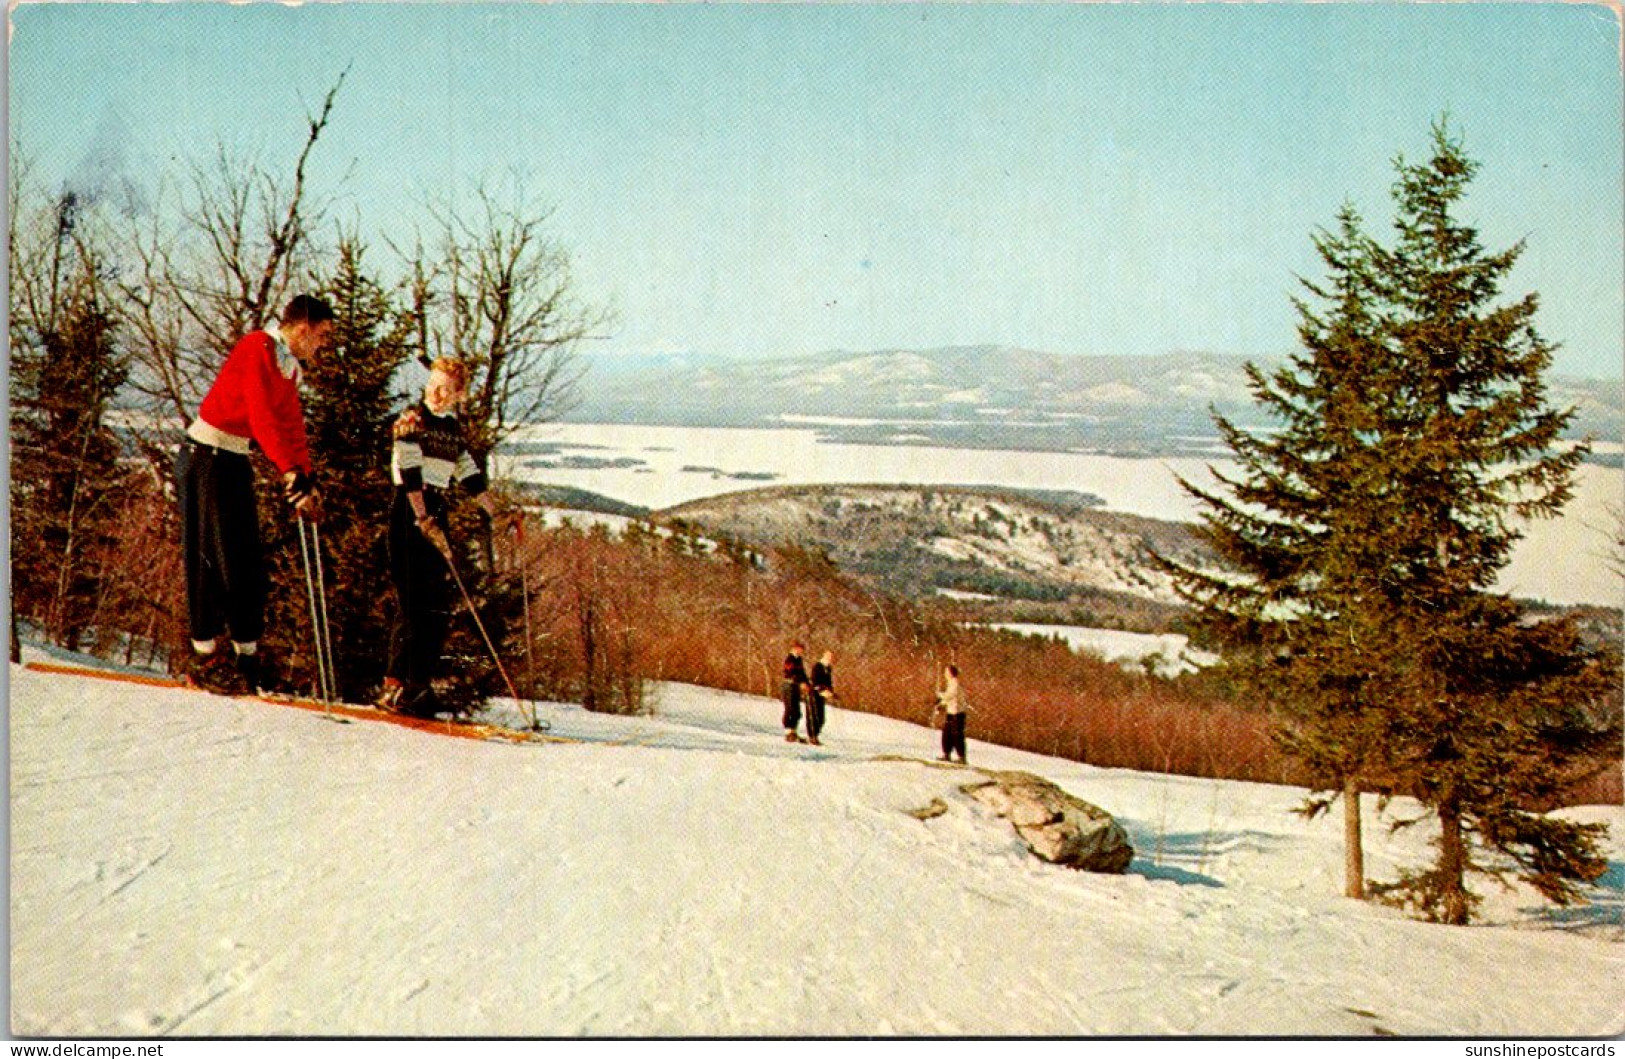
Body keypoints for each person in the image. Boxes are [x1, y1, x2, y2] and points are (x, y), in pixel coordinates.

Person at [176, 294, 334, 694]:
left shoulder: (288, 366)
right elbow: (262, 415)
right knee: (211, 555)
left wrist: (305, 475)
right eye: (323, 335)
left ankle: (247, 653)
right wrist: (289, 472)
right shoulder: (257, 347)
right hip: (206, 456)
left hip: (232, 458)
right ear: (302, 328)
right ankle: (205, 654)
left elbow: (290, 422)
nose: (324, 344)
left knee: (244, 557)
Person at [377, 357, 507, 717]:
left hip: (436, 509)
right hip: (410, 510)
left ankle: (417, 685)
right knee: (413, 601)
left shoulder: (451, 430)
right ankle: (396, 686)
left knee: (435, 604)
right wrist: (422, 519)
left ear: (458, 395)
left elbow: (469, 475)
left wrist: (498, 514)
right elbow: (409, 470)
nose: (436, 393)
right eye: (432, 385)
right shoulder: (412, 421)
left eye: (445, 389)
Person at [932, 663, 970, 764]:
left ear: (950, 673)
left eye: (946, 672)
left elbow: (950, 695)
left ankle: (961, 757)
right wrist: (940, 703)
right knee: (947, 734)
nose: (945, 674)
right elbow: (949, 699)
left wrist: (940, 696)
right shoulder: (951, 683)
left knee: (957, 736)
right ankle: (946, 754)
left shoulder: (955, 683)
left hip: (958, 714)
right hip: (951, 712)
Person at [781, 641, 810, 743]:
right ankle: (788, 731)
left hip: (796, 686)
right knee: (790, 708)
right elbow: (789, 673)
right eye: (800, 649)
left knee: (797, 710)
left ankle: (794, 731)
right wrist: (800, 682)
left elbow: (802, 673)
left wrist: (807, 683)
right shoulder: (790, 659)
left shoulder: (799, 660)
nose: (801, 651)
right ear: (794, 648)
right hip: (789, 685)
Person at [807, 649, 836, 746]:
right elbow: (815, 681)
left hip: (822, 695)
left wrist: (831, 692)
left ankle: (816, 735)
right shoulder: (817, 666)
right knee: (813, 716)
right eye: (829, 656)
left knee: (821, 717)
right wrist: (822, 690)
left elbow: (829, 681)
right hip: (814, 693)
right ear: (824, 656)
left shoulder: (828, 668)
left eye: (831, 657)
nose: (830, 659)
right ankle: (812, 737)